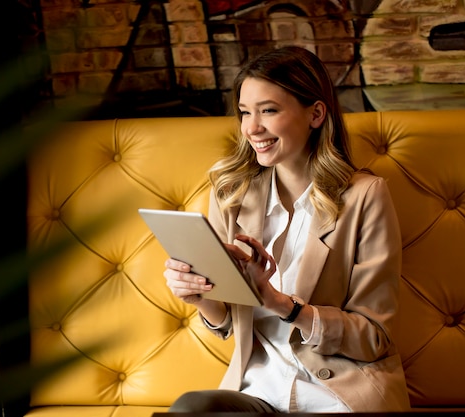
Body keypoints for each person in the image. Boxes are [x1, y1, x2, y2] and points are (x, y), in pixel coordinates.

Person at [163, 45, 410, 413]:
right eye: (245, 112)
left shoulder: (364, 197)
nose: (252, 128)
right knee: (189, 409)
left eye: (269, 110)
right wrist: (199, 296)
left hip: (340, 393)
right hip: (258, 391)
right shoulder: (231, 193)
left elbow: (374, 337)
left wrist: (282, 305)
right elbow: (226, 322)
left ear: (315, 114)